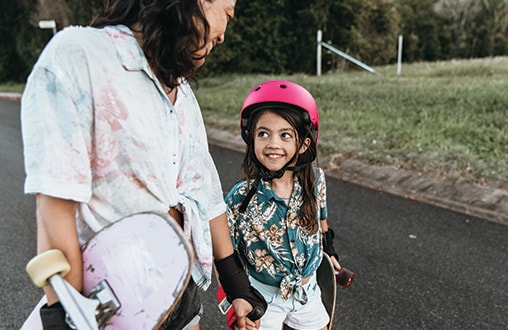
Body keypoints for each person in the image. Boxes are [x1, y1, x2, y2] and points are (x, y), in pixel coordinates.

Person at [20, 0, 266, 329]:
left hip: (182, 297)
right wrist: (64, 317)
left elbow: (205, 195)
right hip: (109, 305)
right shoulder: (81, 57)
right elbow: (54, 204)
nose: (223, 35)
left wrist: (238, 286)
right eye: (228, 13)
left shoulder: (182, 92)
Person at [224, 80, 342, 330]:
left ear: (304, 144)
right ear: (251, 138)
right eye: (263, 133)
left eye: (285, 135)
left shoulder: (315, 180)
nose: (273, 143)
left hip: (306, 291)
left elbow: (321, 219)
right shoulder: (240, 198)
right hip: (262, 296)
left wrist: (329, 249)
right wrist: (233, 297)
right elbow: (224, 253)